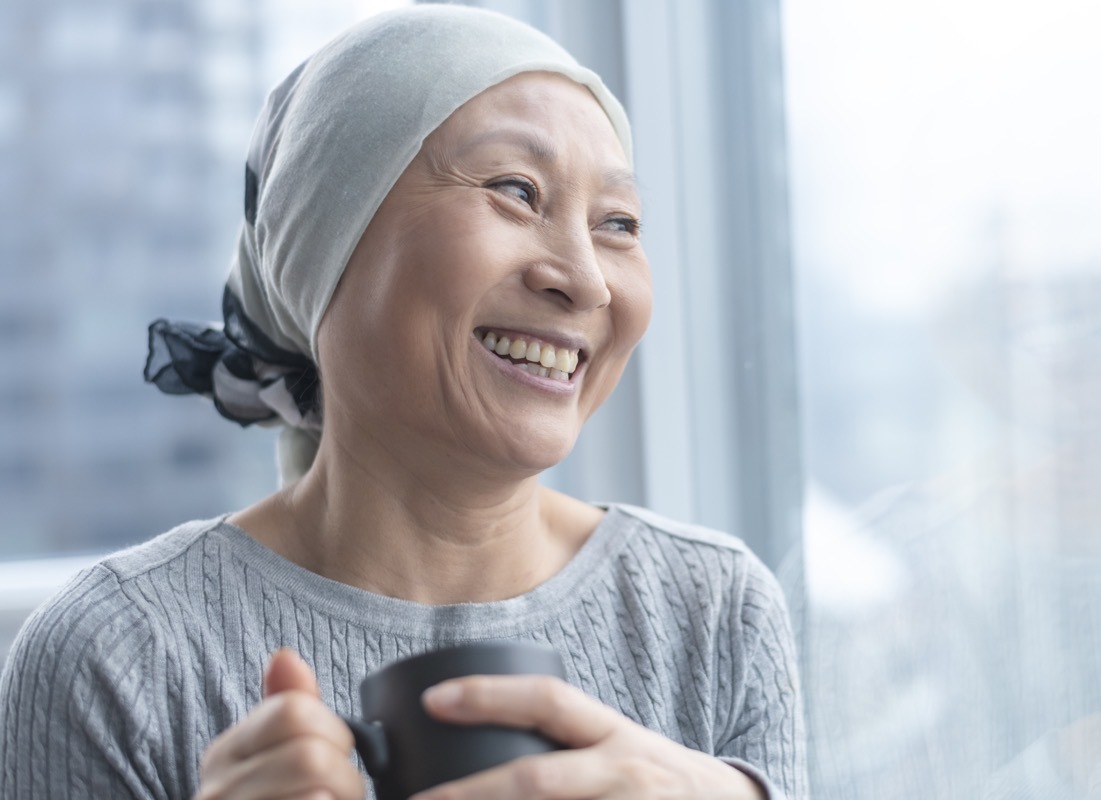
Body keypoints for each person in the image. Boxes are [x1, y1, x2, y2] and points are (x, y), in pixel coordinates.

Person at [0, 6, 803, 799]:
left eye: (618, 223)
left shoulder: (716, 613)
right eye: (516, 191)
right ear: (325, 250)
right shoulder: (117, 655)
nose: (586, 279)